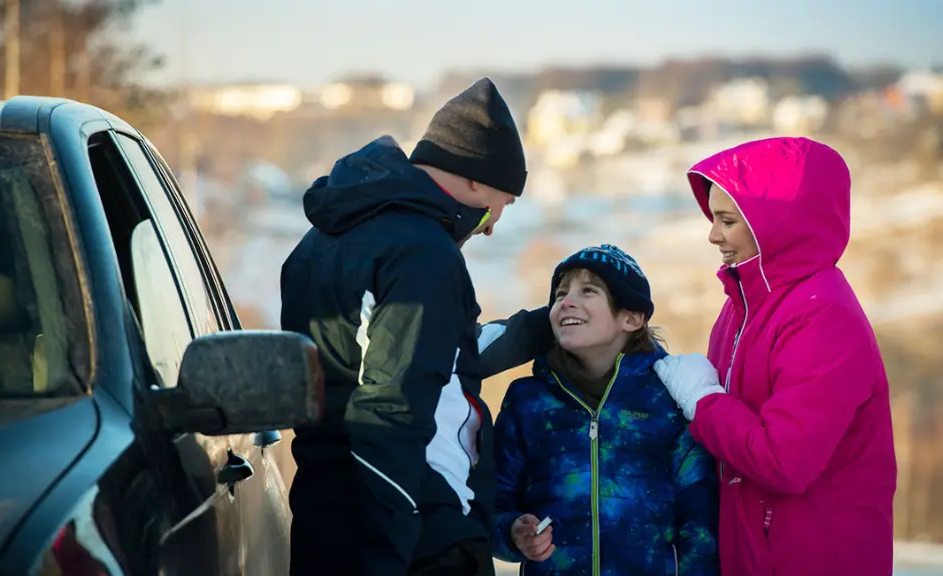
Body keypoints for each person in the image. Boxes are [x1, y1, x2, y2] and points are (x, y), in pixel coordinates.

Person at [281, 78, 552, 576]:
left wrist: (544, 328)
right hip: (416, 534)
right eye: (503, 202)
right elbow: (390, 411)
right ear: (475, 177)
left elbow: (423, 361)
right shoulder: (423, 253)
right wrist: (387, 556)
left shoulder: (319, 240)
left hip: (324, 515)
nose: (492, 224)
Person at [653, 137, 896, 576]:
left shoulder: (824, 317)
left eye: (726, 220)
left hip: (816, 558)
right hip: (756, 554)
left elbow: (784, 461)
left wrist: (703, 399)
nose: (712, 234)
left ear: (775, 222)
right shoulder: (743, 306)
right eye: (713, 218)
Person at [492, 244, 719, 575]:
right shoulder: (528, 401)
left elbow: (700, 524)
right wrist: (513, 534)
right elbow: (493, 506)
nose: (566, 301)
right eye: (560, 293)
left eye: (588, 291)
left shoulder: (667, 400)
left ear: (631, 317)